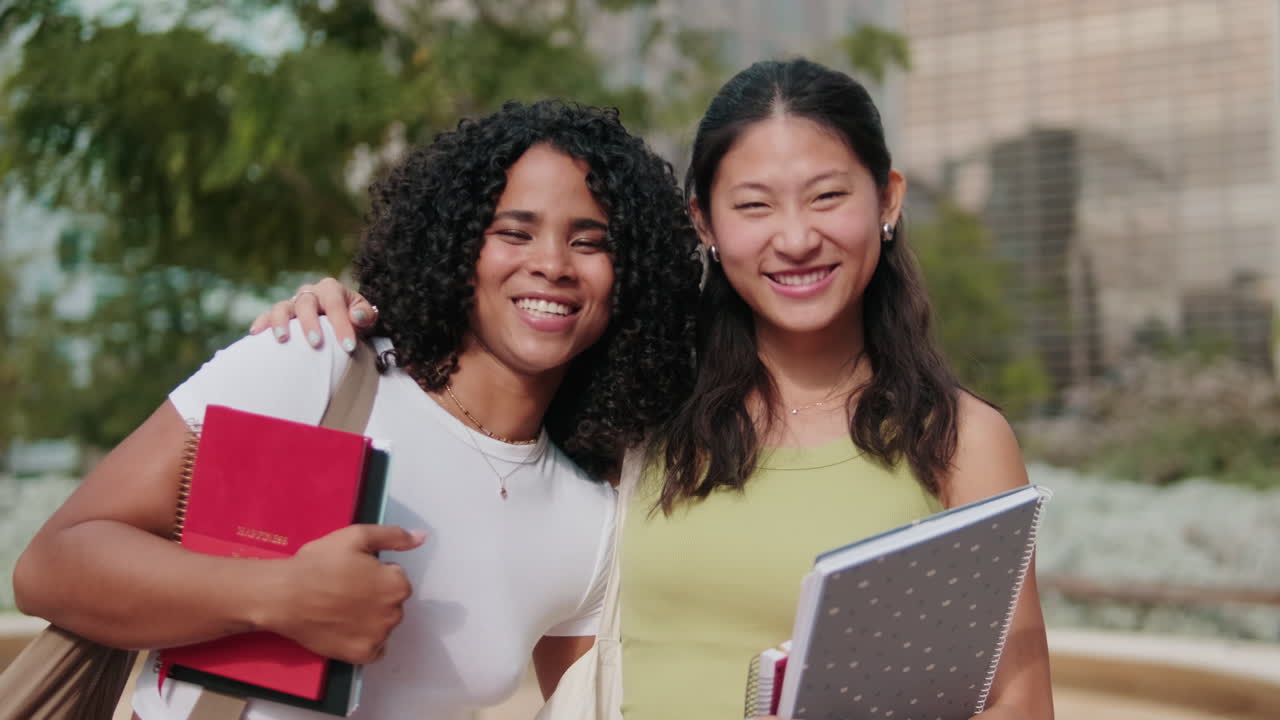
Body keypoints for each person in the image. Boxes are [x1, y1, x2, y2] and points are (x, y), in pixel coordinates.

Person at [259, 59, 1054, 720]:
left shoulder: (958, 437)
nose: (796, 237)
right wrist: (335, 319)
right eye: (753, 205)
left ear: (887, 198)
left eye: (827, 195)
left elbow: (1019, 703)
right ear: (703, 223)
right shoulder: (634, 399)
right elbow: (476, 379)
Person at [13, 99, 701, 720]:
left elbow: (592, 707)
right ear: (459, 246)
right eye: (513, 232)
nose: (553, 263)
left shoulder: (589, 523)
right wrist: (279, 596)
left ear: (632, 275)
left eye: (591, 241)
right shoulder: (320, 367)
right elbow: (50, 567)